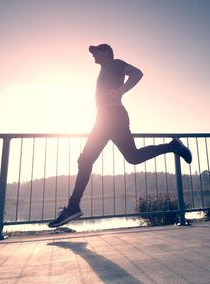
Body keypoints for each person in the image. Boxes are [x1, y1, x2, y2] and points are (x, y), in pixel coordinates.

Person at [48, 44, 192, 227]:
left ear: (107, 52)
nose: (93, 55)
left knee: (85, 160)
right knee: (132, 157)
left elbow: (138, 73)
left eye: (96, 51)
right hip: (106, 118)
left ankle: (73, 207)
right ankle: (173, 146)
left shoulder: (115, 63)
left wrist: (122, 90)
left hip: (111, 117)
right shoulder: (104, 71)